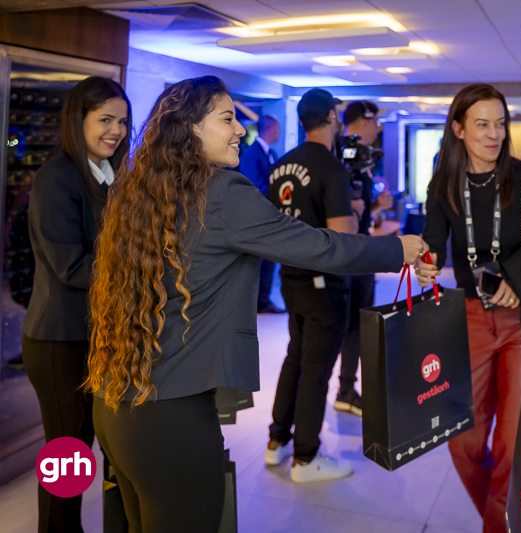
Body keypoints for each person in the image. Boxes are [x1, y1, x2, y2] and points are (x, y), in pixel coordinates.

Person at [86, 76, 427, 532]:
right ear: (191, 128)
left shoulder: (143, 190)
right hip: (172, 417)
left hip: (117, 407)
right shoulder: (222, 192)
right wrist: (396, 249)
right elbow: (321, 246)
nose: (238, 130)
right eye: (227, 118)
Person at [416, 83, 521, 533]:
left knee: (512, 443)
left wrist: (519, 278)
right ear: (458, 129)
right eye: (482, 124)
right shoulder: (444, 184)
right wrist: (423, 263)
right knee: (462, 441)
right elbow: (432, 245)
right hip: (468, 318)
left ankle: (497, 525)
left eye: (500, 124)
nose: (494, 134)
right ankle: (504, 514)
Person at [22, 76, 130, 533]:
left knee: (94, 449)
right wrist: (138, 272)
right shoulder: (57, 179)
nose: (116, 130)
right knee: (68, 456)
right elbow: (71, 267)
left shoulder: (108, 176)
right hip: (59, 341)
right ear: (77, 120)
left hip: (95, 337)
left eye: (122, 121)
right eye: (105, 120)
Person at [264, 88, 366, 481]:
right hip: (324, 285)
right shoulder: (330, 167)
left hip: (290, 278)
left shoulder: (280, 166)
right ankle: (306, 457)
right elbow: (342, 234)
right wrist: (354, 212)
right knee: (317, 368)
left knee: (296, 357)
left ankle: (277, 440)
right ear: (331, 117)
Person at [333, 100, 394, 416]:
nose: (378, 129)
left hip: (360, 250)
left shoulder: (362, 159)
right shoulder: (337, 157)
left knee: (358, 323)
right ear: (365, 121)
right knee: (347, 325)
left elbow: (357, 211)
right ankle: (344, 389)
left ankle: (347, 387)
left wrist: (376, 207)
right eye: (375, 122)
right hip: (345, 255)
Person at [238, 113, 284, 313]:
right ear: (271, 129)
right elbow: (252, 187)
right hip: (257, 217)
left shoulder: (270, 152)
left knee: (269, 260)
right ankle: (255, 303)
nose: (279, 132)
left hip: (270, 217)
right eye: (278, 128)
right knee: (258, 262)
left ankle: (263, 301)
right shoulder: (251, 154)